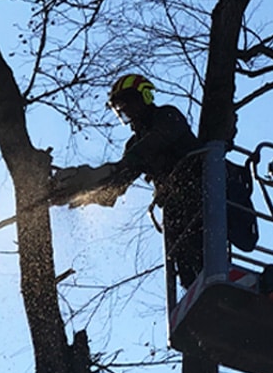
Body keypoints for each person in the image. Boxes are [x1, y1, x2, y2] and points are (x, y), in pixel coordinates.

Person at [52, 73, 205, 287]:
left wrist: (113, 168)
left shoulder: (167, 116)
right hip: (174, 208)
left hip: (201, 192)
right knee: (185, 267)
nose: (125, 111)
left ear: (144, 97)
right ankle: (195, 292)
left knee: (205, 250)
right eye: (119, 108)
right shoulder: (134, 143)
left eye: (127, 104)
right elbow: (118, 185)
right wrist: (86, 194)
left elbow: (152, 145)